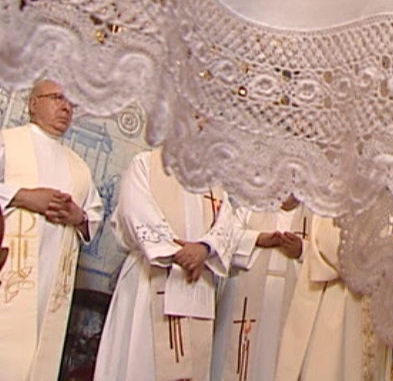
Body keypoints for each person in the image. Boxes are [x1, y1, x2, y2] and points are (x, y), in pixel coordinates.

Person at [94, 148, 242, 381]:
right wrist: (177, 252)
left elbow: (228, 224)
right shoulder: (145, 163)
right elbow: (136, 210)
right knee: (142, 363)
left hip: (196, 285)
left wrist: (204, 248)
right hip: (150, 277)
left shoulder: (214, 180)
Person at [0, 79, 103, 380]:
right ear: (33, 103)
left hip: (53, 283)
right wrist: (24, 196)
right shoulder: (8, 141)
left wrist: (77, 215)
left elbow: (93, 217)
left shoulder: (79, 166)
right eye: (58, 98)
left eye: (71, 103)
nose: (66, 107)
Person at [274, 213, 391, 380]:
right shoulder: (336, 195)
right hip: (337, 303)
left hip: (372, 309)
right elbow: (329, 244)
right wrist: (376, 259)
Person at [212, 195, 310, 381]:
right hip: (244, 304)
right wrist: (258, 238)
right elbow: (224, 237)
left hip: (292, 308)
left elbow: (326, 254)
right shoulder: (251, 201)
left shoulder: (316, 215)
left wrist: (301, 249)